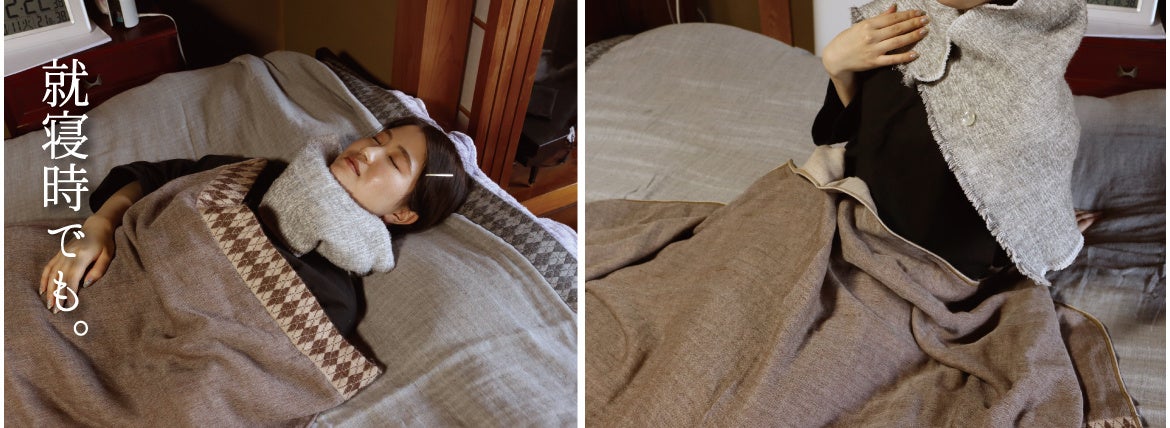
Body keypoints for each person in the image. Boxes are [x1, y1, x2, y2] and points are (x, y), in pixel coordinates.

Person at [38, 116, 471, 336]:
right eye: (377, 139)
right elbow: (156, 176)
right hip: (85, 270)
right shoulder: (262, 173)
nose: (369, 152)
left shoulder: (334, 299)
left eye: (394, 161)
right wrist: (98, 225)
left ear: (403, 214)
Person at [812, 0, 1090, 282]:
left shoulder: (1034, 56)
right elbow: (864, 128)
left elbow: (1037, 159)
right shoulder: (899, 18)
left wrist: (1043, 224)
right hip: (857, 229)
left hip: (952, 271)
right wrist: (838, 67)